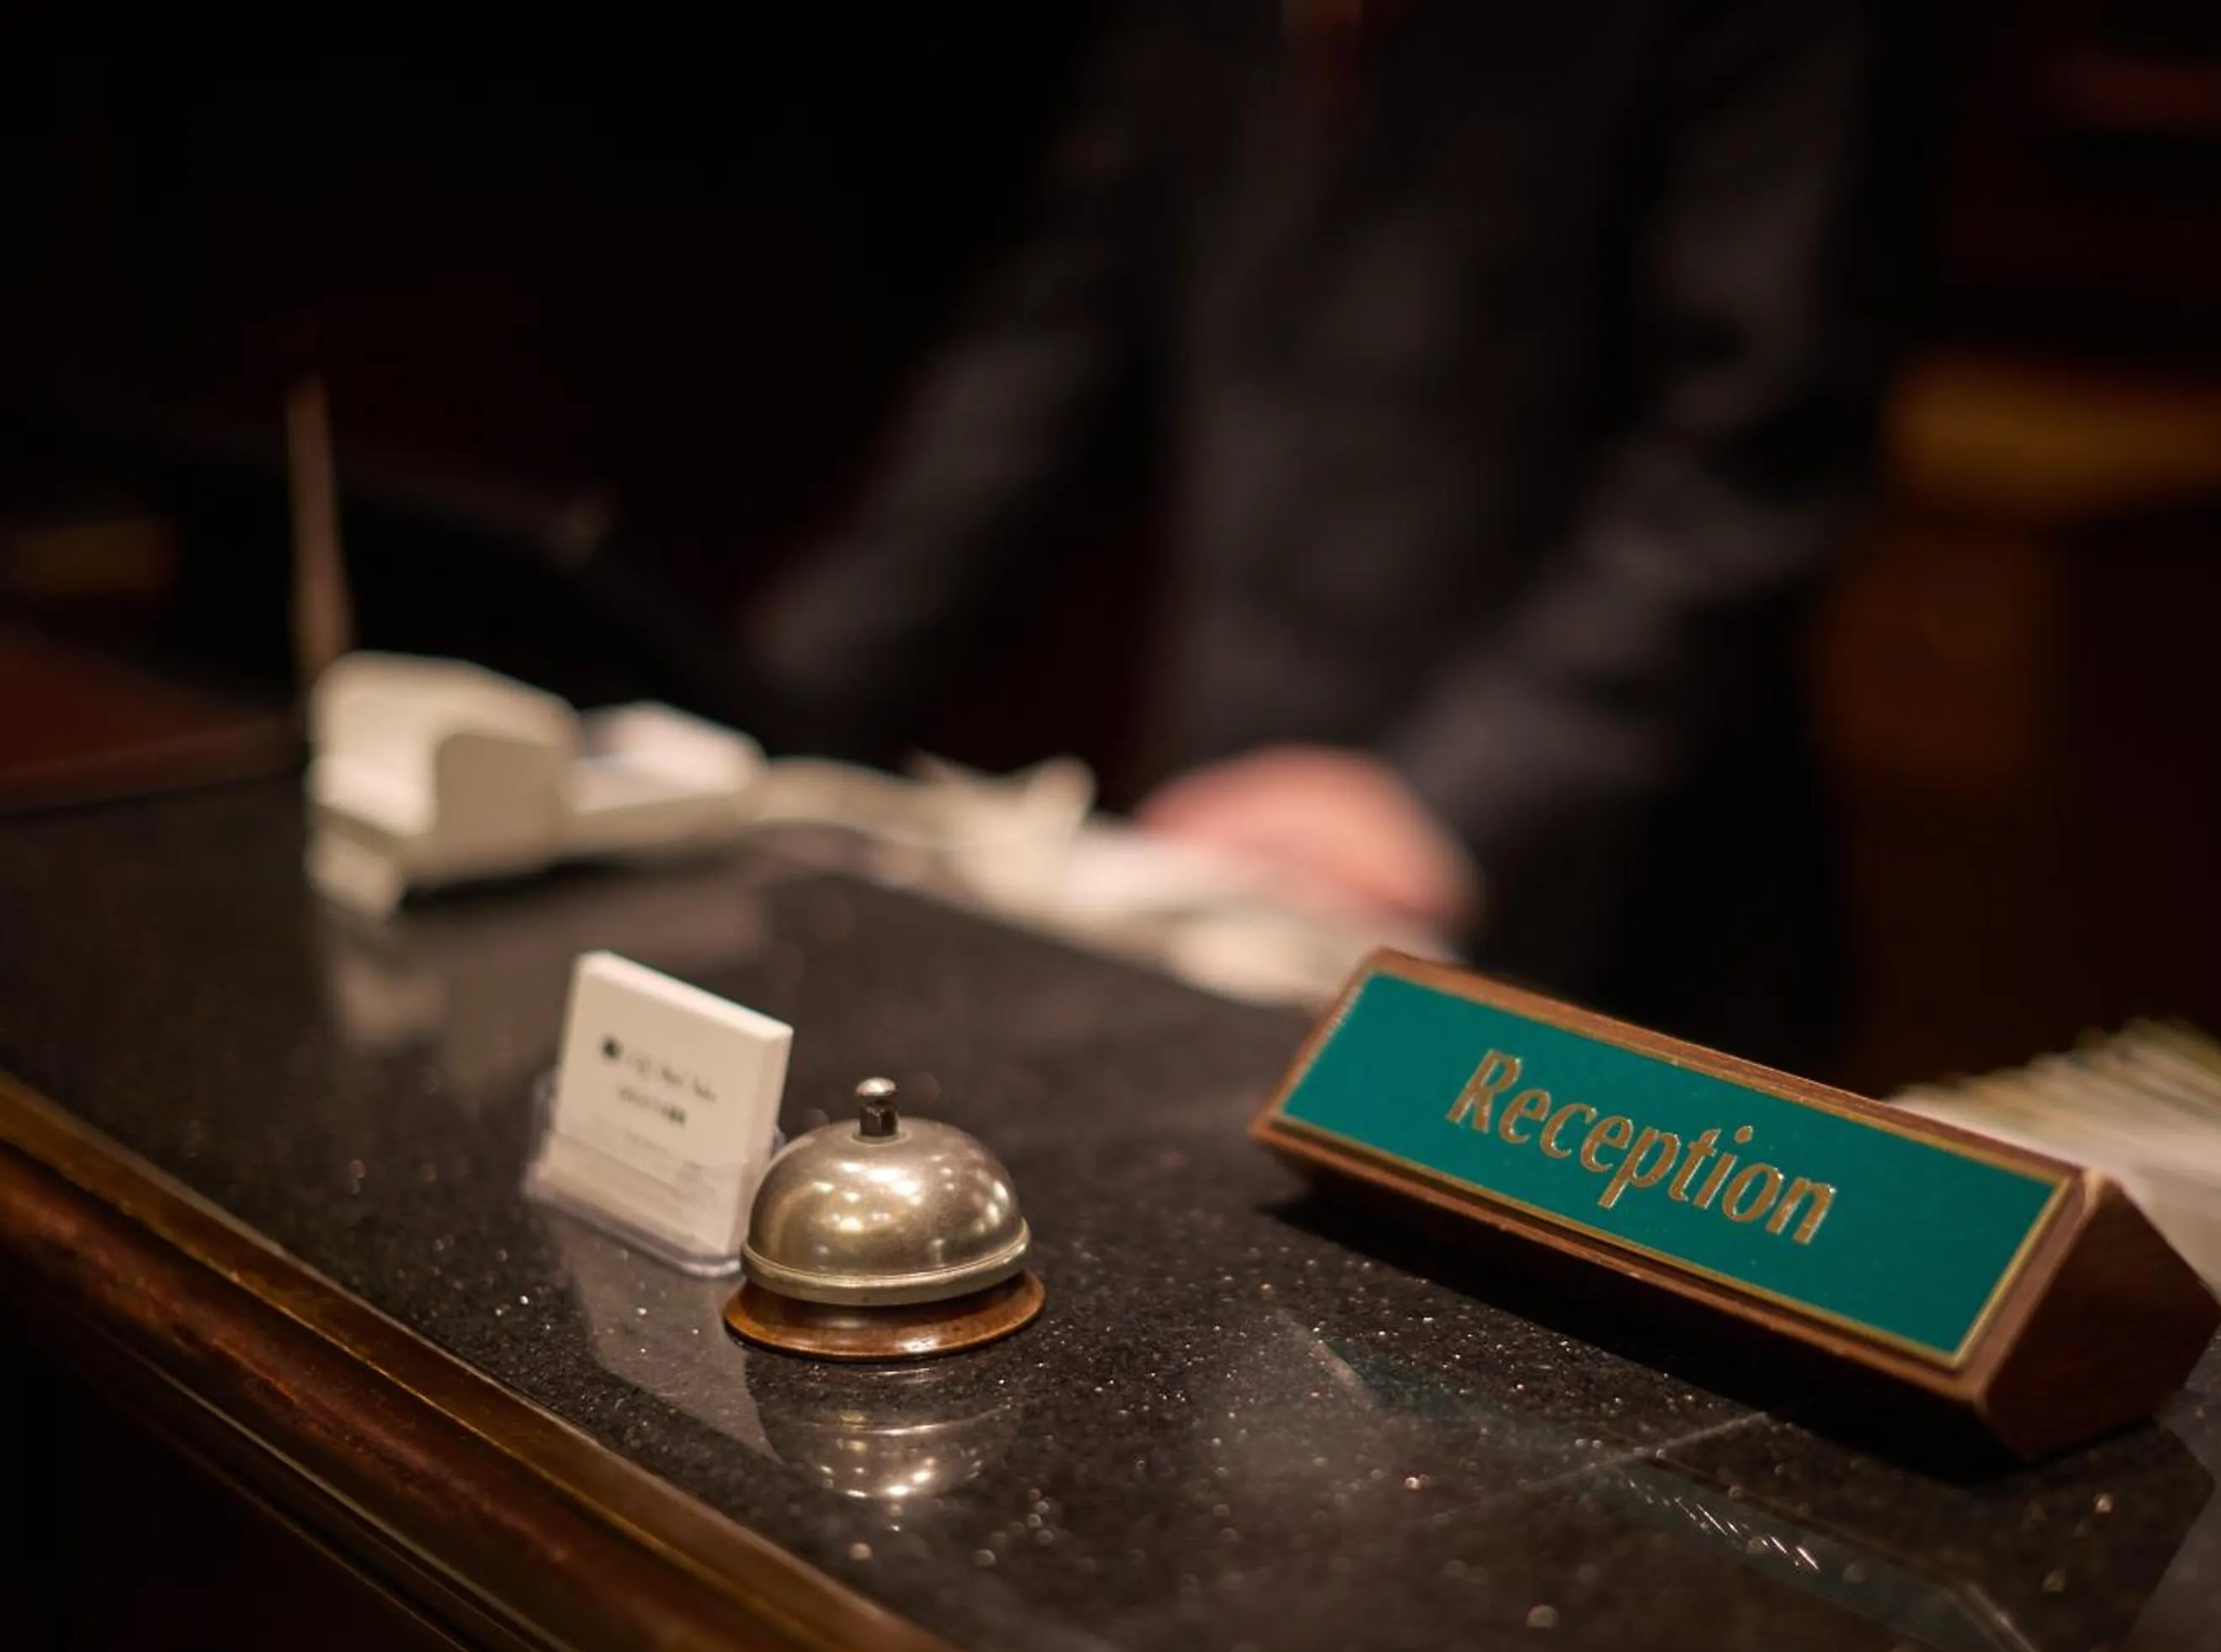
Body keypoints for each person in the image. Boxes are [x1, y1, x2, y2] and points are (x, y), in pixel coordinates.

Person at [750, 0, 1896, 1066]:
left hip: (1601, 876)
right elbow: (1041, 350)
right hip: (1234, 839)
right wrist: (761, 717)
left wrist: (1450, 796)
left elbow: (1760, 445)